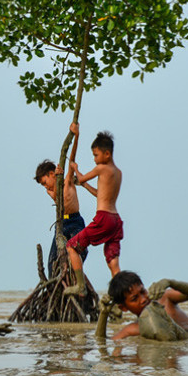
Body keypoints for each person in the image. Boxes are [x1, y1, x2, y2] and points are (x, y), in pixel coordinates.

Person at [65, 123, 123, 296]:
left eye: (96, 155)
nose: (94, 159)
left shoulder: (101, 168)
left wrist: (75, 169)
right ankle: (119, 298)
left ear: (107, 153)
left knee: (71, 247)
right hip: (116, 220)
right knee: (113, 263)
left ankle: (80, 286)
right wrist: (83, 185)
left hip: (103, 218)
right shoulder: (117, 172)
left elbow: (81, 178)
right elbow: (100, 194)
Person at [34, 125, 91, 278]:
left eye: (45, 181)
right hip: (61, 224)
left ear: (52, 173)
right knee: (53, 261)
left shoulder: (68, 182)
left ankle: (75, 279)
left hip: (75, 221)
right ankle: (55, 286)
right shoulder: (50, 191)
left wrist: (76, 136)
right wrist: (56, 181)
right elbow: (57, 195)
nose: (44, 186)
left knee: (80, 250)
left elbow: (71, 158)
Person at [107, 271, 188, 341]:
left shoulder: (165, 299)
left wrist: (170, 283)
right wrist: (103, 315)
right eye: (135, 299)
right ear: (123, 307)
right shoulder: (134, 328)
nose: (143, 299)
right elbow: (105, 342)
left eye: (143, 292)